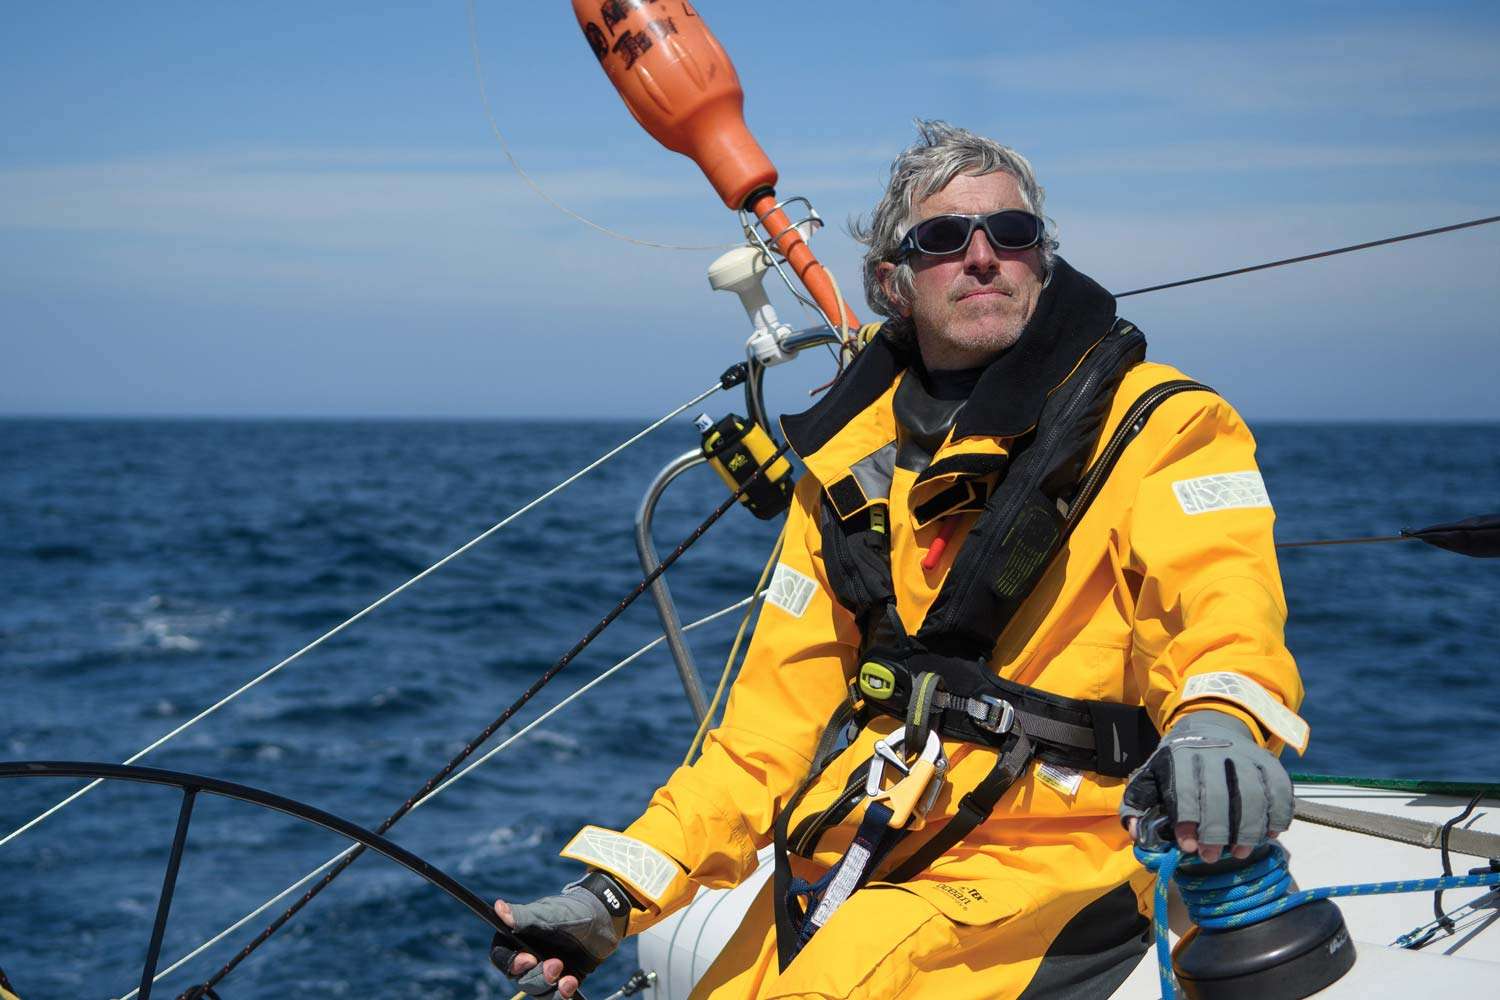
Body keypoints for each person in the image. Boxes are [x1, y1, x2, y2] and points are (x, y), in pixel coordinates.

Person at [492, 120, 1307, 999]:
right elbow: (762, 739)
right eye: (945, 239)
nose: (984, 255)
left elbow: (1224, 600)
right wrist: (613, 894)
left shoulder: (1164, 424)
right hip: (869, 839)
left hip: (1070, 848)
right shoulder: (846, 475)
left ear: (1043, 259)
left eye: (1013, 233)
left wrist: (1222, 723)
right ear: (893, 283)